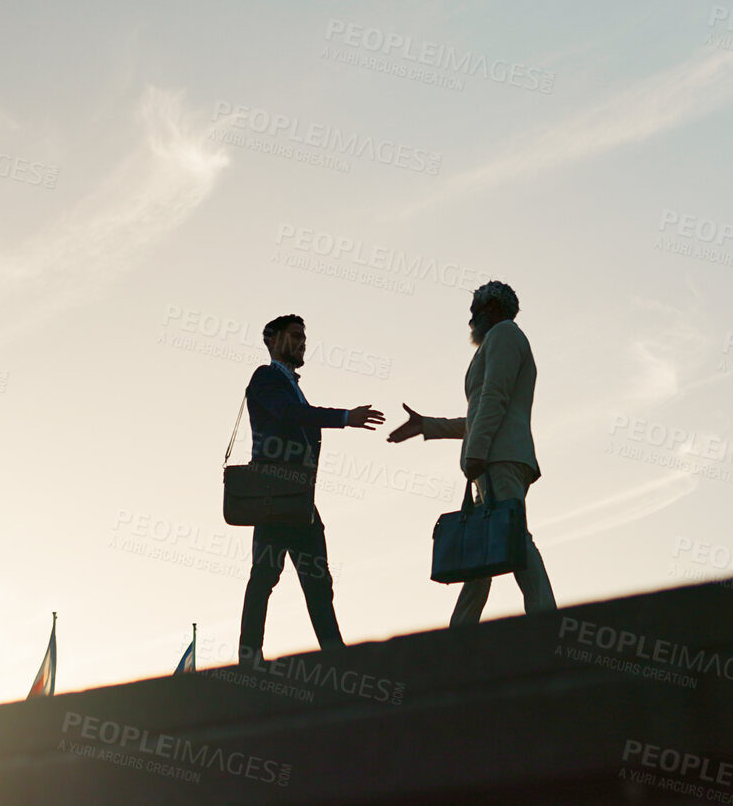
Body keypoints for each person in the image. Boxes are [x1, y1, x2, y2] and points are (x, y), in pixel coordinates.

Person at [388, 280, 556, 626]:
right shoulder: (497, 341)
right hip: (493, 459)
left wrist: (475, 453)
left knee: (511, 536)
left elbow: (494, 397)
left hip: (499, 458)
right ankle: (460, 632)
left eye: (474, 312)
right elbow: (481, 411)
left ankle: (546, 619)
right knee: (485, 544)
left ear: (492, 308)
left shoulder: (505, 335)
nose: (470, 321)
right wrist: (427, 425)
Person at [238, 314, 383, 668]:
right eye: (295, 336)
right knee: (265, 577)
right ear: (273, 341)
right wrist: (346, 417)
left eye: (304, 336)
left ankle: (335, 655)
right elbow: (291, 414)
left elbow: (296, 415)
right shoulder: (266, 377)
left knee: (315, 580)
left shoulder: (288, 382)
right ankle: (249, 661)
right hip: (276, 497)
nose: (303, 342)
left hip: (297, 498)